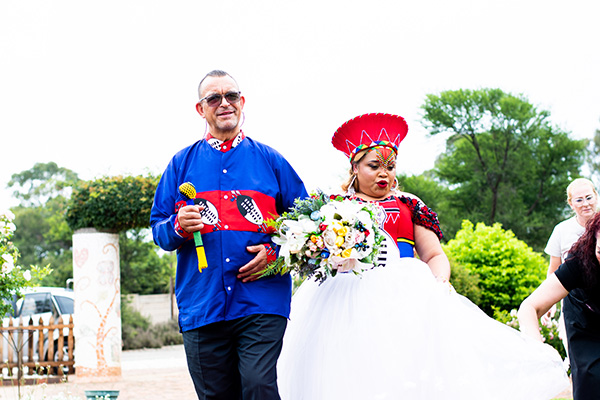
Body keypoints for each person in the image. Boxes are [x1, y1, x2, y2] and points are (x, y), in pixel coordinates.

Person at [276, 113, 568, 399]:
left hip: (404, 299)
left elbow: (434, 254)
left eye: (390, 167)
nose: (384, 174)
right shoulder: (333, 205)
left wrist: (440, 282)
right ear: (354, 167)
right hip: (343, 300)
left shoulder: (409, 204)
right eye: (374, 166)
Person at [150, 70, 308, 400]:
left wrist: (276, 252)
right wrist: (178, 225)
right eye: (214, 98)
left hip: (261, 299)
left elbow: (306, 225)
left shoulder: (272, 161)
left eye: (231, 96)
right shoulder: (180, 164)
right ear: (200, 109)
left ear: (242, 102)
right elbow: (159, 231)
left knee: (258, 385)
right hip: (201, 302)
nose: (224, 103)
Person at [519, 212, 600, 400]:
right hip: (584, 318)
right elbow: (529, 307)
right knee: (593, 376)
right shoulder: (579, 262)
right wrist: (538, 351)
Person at [543, 178, 598, 358]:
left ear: (596, 196)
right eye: (579, 200)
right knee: (579, 361)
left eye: (589, 197)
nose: (585, 204)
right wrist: (549, 302)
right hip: (573, 308)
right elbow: (554, 270)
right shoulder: (562, 230)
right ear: (571, 204)